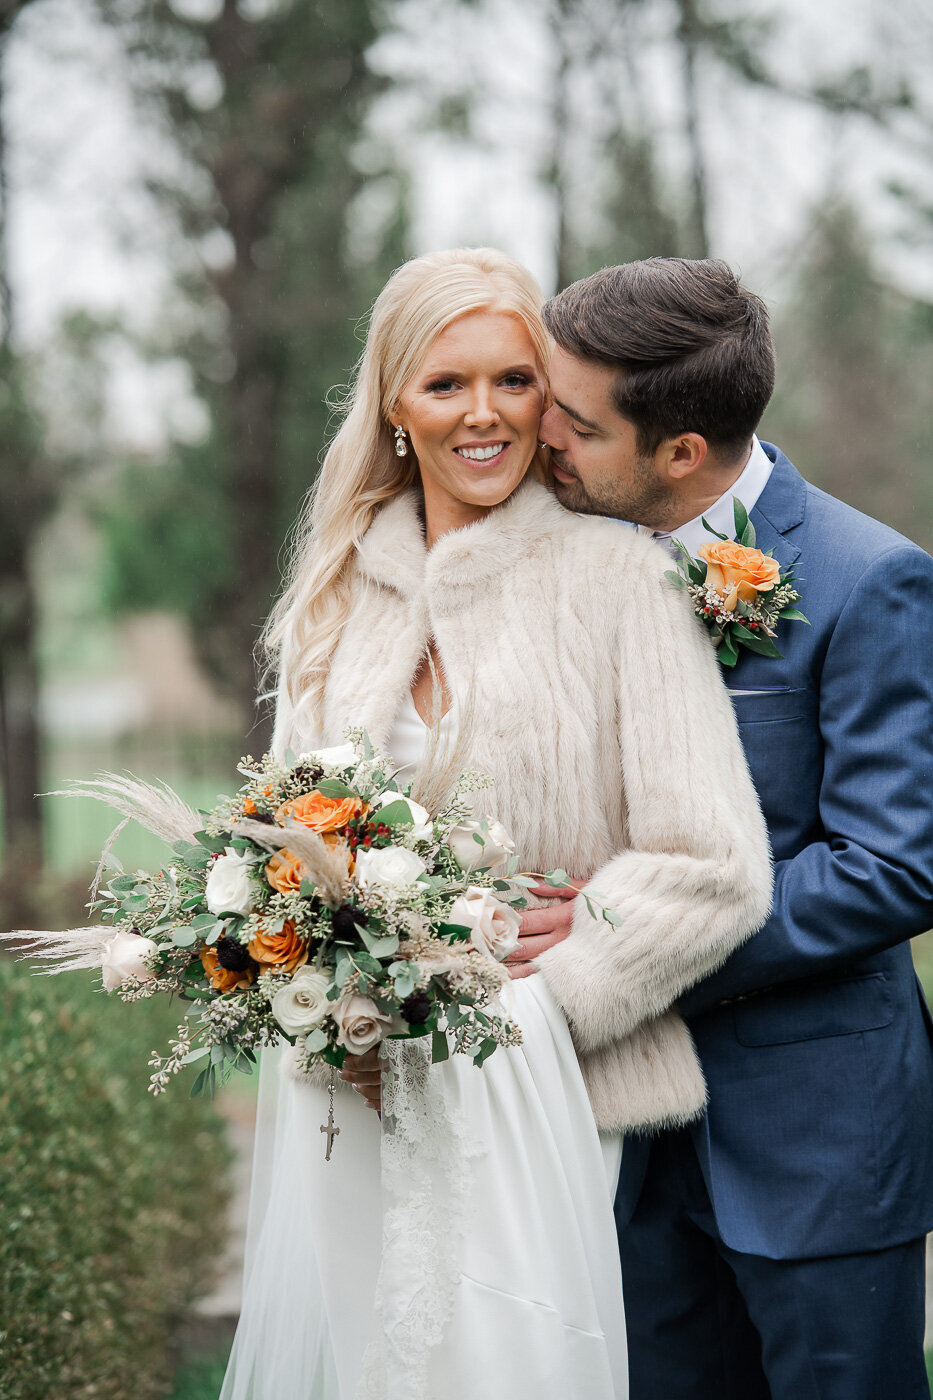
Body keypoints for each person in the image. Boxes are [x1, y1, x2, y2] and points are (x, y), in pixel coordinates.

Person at [218, 247, 772, 1400]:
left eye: (516, 380)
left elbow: (713, 864)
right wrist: (341, 1018)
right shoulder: (333, 586)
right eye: (446, 384)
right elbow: (277, 845)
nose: (485, 415)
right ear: (392, 403)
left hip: (547, 1079)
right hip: (360, 1081)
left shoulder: (616, 578)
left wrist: (532, 1014)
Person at [522, 255, 933, 1400]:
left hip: (819, 1140)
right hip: (632, 1135)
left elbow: (895, 864)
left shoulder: (871, 582)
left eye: (576, 421)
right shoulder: (574, 564)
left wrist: (627, 944)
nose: (543, 435)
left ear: (681, 453)